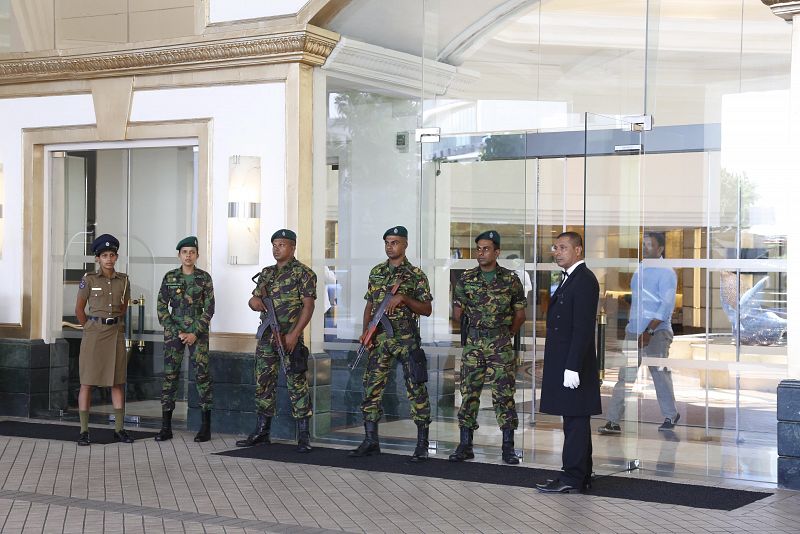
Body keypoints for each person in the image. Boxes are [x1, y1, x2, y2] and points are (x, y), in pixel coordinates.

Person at [349, 225, 433, 462]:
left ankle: (422, 444)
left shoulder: (415, 275)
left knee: (416, 390)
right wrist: (366, 332)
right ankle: (370, 440)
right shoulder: (376, 272)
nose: (390, 246)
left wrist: (404, 298)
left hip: (406, 341)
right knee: (371, 389)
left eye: (394, 242)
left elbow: (427, 309)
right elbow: (370, 306)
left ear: (405, 244)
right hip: (380, 340)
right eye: (387, 242)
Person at [450, 230, 527, 464]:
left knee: (504, 395)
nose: (481, 253)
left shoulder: (510, 280)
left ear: (497, 252)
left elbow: (520, 314)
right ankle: (465, 445)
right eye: (478, 249)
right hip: (473, 344)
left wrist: (506, 334)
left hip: (500, 344)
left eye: (486, 249)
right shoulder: (466, 278)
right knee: (468, 394)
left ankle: (508, 447)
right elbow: (457, 313)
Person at [237, 229, 317, 453]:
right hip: (266, 339)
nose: (276, 248)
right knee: (263, 384)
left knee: (297, 384)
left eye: (282, 244)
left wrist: (293, 334)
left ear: (292, 247)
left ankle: (303, 435)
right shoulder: (266, 273)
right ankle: (262, 432)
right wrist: (254, 302)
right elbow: (254, 299)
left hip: (289, 339)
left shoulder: (304, 273)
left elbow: (309, 307)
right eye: (274, 244)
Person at [536, 231, 600, 493]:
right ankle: (580, 473)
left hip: (574, 364)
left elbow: (583, 328)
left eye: (563, 247)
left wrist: (572, 366)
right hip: (566, 361)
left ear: (578, 251)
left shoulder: (583, 280)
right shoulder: (570, 279)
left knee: (575, 421)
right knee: (575, 419)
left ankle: (572, 476)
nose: (557, 251)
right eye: (555, 247)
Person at [598, 232, 680, 435]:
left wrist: (649, 331)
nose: (644, 248)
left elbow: (666, 306)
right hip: (634, 331)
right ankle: (613, 421)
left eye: (649, 245)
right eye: (643, 244)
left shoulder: (667, 272)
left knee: (659, 375)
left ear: (660, 249)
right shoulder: (642, 267)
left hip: (656, 332)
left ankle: (670, 414)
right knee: (625, 376)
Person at [155, 236, 216, 443]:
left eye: (192, 252)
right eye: (184, 252)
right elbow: (162, 307)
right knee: (170, 377)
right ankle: (166, 427)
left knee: (202, 377)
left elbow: (209, 308)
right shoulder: (170, 277)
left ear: (197, 255)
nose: (188, 255)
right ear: (179, 255)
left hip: (197, 333)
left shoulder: (204, 278)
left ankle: (205, 427)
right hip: (174, 333)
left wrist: (194, 333)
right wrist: (176, 331)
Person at [74, 234, 133, 446]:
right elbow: (79, 309)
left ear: (116, 257)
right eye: (104, 255)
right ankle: (83, 431)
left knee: (117, 381)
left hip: (115, 334)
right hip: (94, 335)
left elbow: (124, 307)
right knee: (87, 382)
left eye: (112, 255)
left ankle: (119, 429)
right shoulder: (89, 279)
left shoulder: (124, 280)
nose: (109, 259)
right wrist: (89, 327)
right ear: (97, 258)